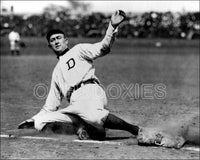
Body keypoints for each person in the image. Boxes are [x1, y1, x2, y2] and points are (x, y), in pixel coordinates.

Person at [18, 10, 140, 140]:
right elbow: (50, 105)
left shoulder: (79, 50)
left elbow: (103, 47)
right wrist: (32, 120)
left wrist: (112, 26)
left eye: (59, 38)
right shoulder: (56, 72)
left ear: (66, 41)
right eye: (53, 40)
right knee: (42, 123)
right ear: (50, 46)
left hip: (89, 90)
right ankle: (86, 129)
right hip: (75, 104)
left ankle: (135, 129)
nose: (56, 42)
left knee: (93, 116)